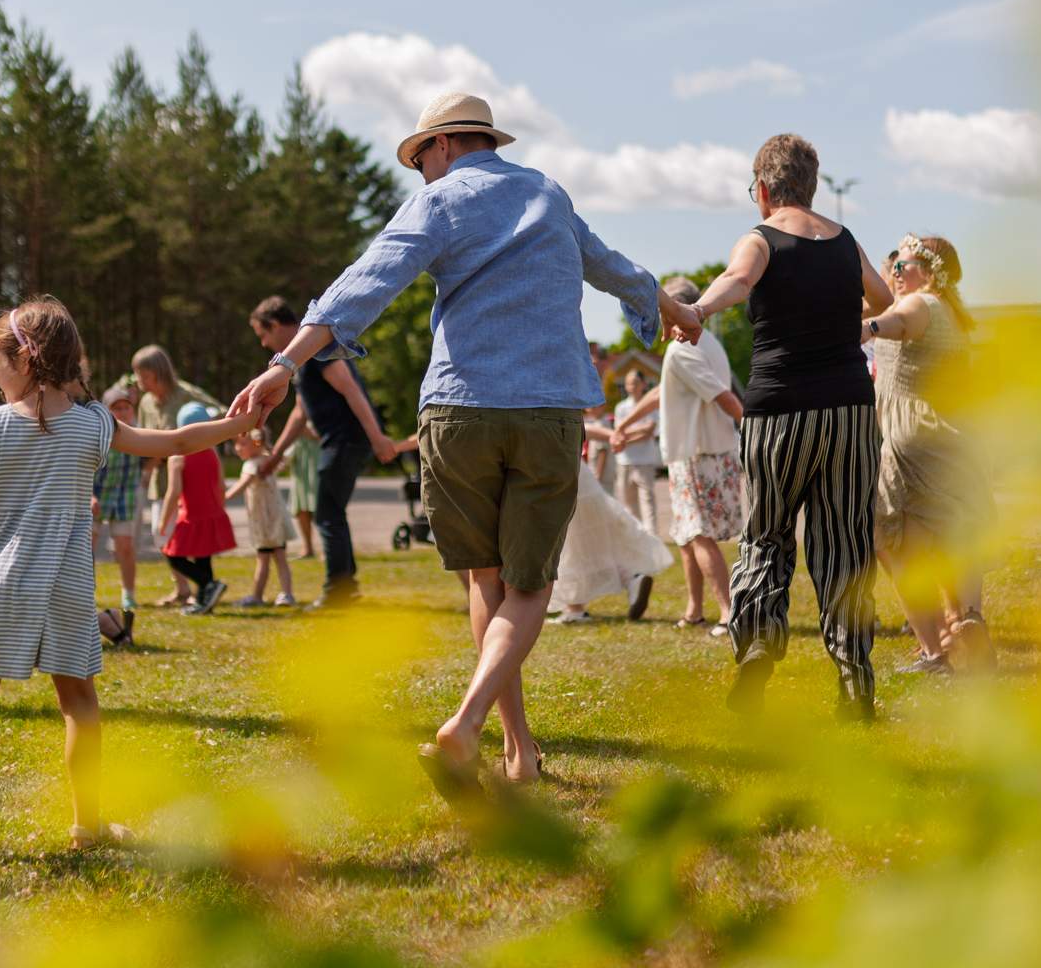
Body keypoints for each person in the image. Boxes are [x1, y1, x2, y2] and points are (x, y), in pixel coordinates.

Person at [226, 91, 701, 795]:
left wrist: (283, 364)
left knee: (486, 579)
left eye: (419, 159)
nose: (421, 174)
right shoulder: (547, 194)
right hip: (545, 408)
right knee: (529, 585)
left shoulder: (440, 200)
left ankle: (512, 746)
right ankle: (478, 728)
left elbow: (362, 283)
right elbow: (612, 266)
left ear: (443, 144)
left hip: (457, 411)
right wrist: (675, 309)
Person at [0, 298, 263, 866]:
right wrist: (240, 423)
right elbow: (178, 443)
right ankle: (88, 825)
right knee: (80, 704)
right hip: (61, 585)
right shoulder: (95, 425)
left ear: (25, 361)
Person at [684, 133, 893, 721]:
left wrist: (699, 311)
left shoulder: (761, 237)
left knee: (767, 533)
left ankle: (756, 645)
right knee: (846, 542)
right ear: (812, 186)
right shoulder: (845, 241)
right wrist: (838, 314)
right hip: (850, 410)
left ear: (763, 189)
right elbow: (880, 299)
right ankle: (854, 680)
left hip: (779, 410)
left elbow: (738, 279)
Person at [866, 234, 994, 674]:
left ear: (927, 270)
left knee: (895, 547)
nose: (895, 273)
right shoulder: (952, 312)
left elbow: (899, 322)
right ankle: (965, 622)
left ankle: (936, 650)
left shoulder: (920, 304)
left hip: (912, 444)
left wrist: (866, 329)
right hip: (952, 439)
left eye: (901, 265)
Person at [248, 295, 400, 608]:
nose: (263, 344)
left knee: (328, 513)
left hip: (346, 438)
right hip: (336, 440)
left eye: (263, 335)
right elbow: (299, 413)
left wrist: (377, 437)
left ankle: (338, 591)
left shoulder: (319, 348)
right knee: (331, 512)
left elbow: (352, 390)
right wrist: (275, 456)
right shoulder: (302, 357)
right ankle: (346, 587)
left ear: (274, 325)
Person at [618, 276, 748, 633]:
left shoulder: (682, 348)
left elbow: (724, 396)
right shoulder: (707, 343)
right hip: (707, 451)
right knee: (688, 536)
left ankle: (729, 613)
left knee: (699, 535)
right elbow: (664, 390)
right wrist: (624, 424)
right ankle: (694, 610)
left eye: (665, 310)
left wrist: (754, 430)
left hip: (695, 453)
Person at [130, 346, 223, 608]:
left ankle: (203, 589)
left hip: (190, 484)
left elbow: (218, 412)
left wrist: (191, 443)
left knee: (192, 540)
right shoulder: (146, 403)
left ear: (156, 372)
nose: (139, 381)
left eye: (142, 375)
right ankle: (184, 589)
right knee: (163, 537)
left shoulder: (185, 394)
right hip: (161, 481)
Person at [551, 437, 673, 624]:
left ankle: (575, 609)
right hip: (580, 477)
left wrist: (613, 433)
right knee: (590, 546)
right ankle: (631, 578)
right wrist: (612, 433)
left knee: (572, 547)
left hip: (562, 477)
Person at [159, 402, 237, 615]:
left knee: (173, 556)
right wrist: (219, 507)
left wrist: (163, 521)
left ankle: (209, 585)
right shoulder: (212, 451)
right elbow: (221, 484)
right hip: (212, 513)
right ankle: (205, 603)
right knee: (203, 558)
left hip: (191, 515)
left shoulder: (177, 456)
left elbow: (174, 491)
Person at [224, 428, 297, 606]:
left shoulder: (251, 465)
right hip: (276, 518)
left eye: (242, 444)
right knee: (280, 557)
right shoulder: (268, 460)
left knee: (263, 558)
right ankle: (287, 594)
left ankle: (257, 596)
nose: (237, 448)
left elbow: (242, 485)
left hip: (263, 522)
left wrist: (223, 497)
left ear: (256, 443)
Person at [92, 383, 144, 627]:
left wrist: (146, 474)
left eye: (126, 407)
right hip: (96, 495)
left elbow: (154, 455)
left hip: (125, 495)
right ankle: (86, 593)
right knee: (86, 546)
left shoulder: (138, 433)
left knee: (125, 546)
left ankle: (128, 595)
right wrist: (88, 496)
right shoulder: (98, 434)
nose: (122, 413)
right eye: (116, 408)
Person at [605, 369, 661, 534]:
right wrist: (637, 430)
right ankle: (637, 537)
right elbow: (619, 432)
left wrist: (626, 434)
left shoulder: (651, 404)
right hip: (625, 461)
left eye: (635, 383)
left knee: (647, 502)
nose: (632, 386)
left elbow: (649, 431)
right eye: (629, 383)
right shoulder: (621, 407)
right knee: (629, 504)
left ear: (643, 384)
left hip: (645, 461)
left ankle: (652, 536)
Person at [289, 432, 320, 559]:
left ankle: (328, 549)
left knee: (321, 508)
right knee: (301, 508)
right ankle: (308, 548)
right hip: (300, 464)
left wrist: (304, 429)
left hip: (318, 460)